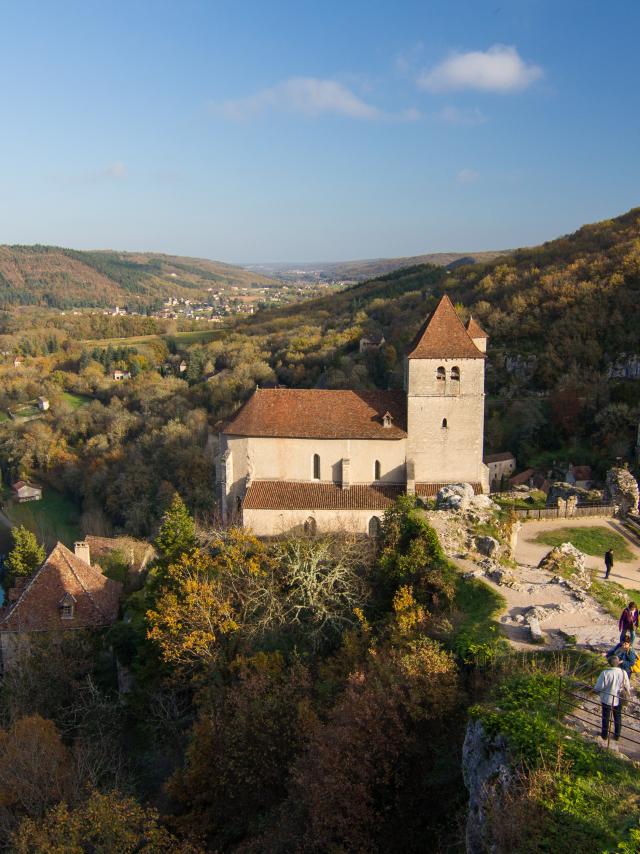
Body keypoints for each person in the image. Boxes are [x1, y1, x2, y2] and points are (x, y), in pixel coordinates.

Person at [594, 655, 631, 742]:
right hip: (619, 698)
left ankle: (604, 735)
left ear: (609, 663)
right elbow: (627, 686)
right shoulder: (623, 672)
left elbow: (599, 687)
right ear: (618, 663)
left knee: (605, 716)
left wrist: (597, 691)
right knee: (617, 717)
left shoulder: (605, 673)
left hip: (607, 698)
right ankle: (617, 735)